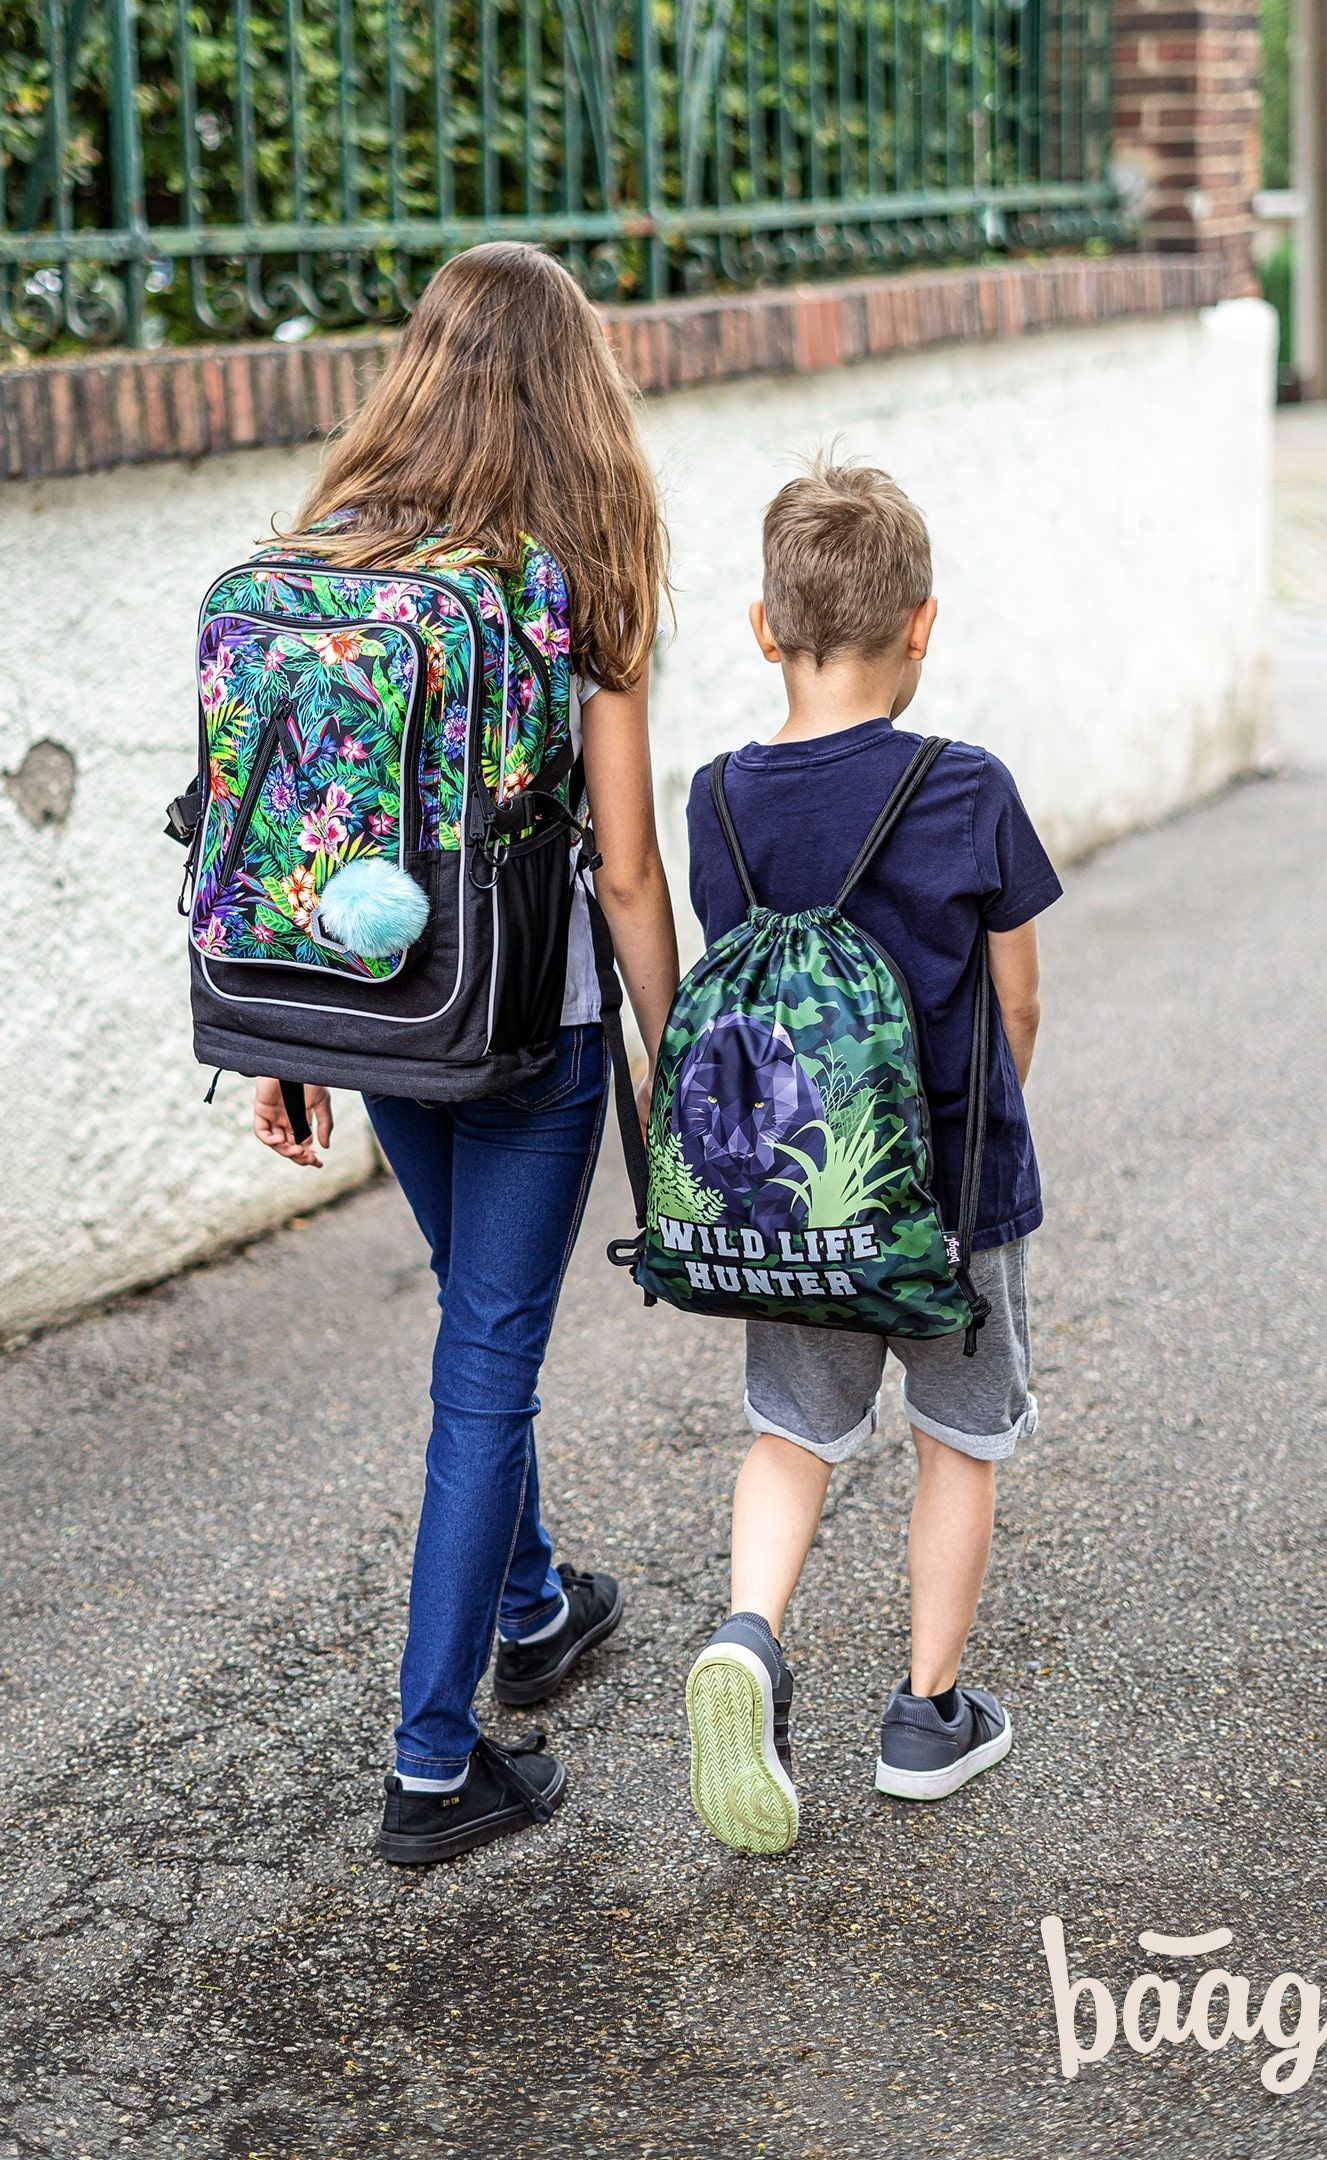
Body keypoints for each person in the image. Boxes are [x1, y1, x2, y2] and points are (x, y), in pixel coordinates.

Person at [250, 244, 679, 1863]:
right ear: (577, 386)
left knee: (477, 1318)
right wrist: (675, 1051)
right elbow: (623, 871)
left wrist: (286, 1039)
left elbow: (283, 831)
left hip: (374, 1013)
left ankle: (537, 1604)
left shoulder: (336, 554)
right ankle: (434, 1766)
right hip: (521, 1029)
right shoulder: (576, 569)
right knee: (489, 1358)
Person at [682, 461, 1062, 1854]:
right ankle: (926, 1719)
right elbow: (1018, 1002)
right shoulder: (966, 788)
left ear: (761, 628)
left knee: (793, 1434)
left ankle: (748, 1635)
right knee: (957, 1443)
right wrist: (982, 1141)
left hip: (794, 1201)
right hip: (952, 1204)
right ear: (923, 626)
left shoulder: (718, 800)